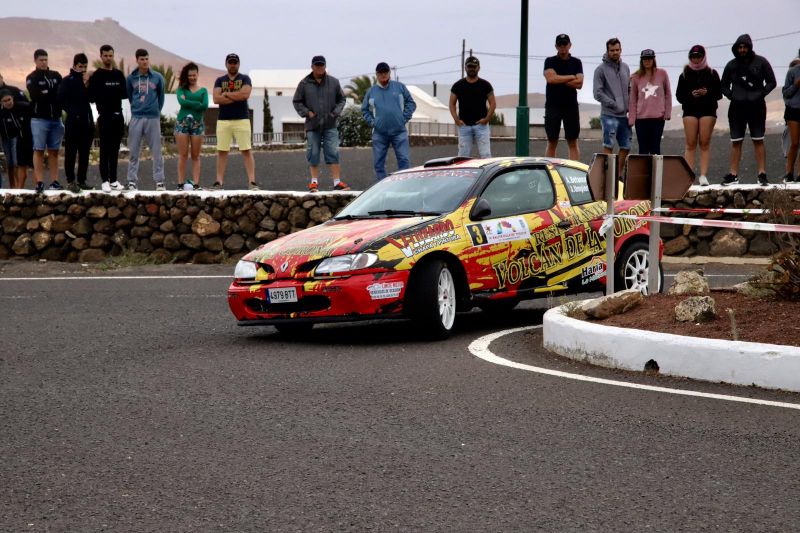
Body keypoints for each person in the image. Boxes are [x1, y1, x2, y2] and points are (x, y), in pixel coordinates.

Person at [719, 34, 776, 186]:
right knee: (736, 141)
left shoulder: (761, 62)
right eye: (740, 47)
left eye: (745, 47)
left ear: (750, 47)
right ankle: (733, 174)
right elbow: (723, 85)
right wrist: (732, 96)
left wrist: (761, 93)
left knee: (758, 140)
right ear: (736, 48)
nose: (742, 50)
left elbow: (772, 81)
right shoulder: (731, 65)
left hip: (756, 106)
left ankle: (762, 174)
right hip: (737, 107)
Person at [293, 55, 348, 192]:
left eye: (322, 65)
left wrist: (334, 113)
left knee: (333, 152)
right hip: (313, 125)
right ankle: (314, 182)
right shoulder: (304, 83)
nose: (319, 67)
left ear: (325, 66)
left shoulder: (334, 82)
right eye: (317, 65)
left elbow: (342, 99)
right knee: (313, 152)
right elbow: (297, 101)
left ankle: (337, 182)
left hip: (330, 124)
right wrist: (308, 113)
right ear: (312, 67)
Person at [361, 61, 416, 180]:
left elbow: (411, 103)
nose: (383, 75)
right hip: (379, 133)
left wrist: (404, 118)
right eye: (380, 73)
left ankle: (404, 184)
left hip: (399, 131)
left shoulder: (400, 87)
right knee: (378, 163)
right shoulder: (371, 91)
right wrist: (372, 122)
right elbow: (365, 110)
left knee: (404, 160)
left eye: (385, 72)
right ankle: (382, 188)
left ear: (389, 73)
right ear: (376, 74)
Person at [676, 45, 722, 186]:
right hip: (690, 110)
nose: (696, 59)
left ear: (703, 57)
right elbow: (679, 96)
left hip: (708, 110)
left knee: (704, 142)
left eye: (698, 56)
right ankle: (688, 176)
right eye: (693, 57)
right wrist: (691, 95)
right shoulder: (684, 74)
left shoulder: (712, 73)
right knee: (690, 143)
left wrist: (706, 93)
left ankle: (703, 175)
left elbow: (719, 94)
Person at [212, 53, 259, 191]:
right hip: (223, 120)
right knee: (222, 151)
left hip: (242, 119)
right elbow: (216, 99)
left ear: (238, 64)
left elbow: (245, 95)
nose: (233, 65)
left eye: (235, 62)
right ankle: (219, 181)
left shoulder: (245, 78)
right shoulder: (220, 80)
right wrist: (236, 97)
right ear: (226, 64)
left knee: (246, 150)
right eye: (230, 62)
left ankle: (252, 181)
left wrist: (226, 94)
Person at [88, 44, 127, 192]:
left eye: (110, 55)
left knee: (114, 151)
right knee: (104, 150)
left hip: (118, 116)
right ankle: (104, 181)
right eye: (105, 56)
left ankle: (114, 180)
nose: (108, 58)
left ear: (113, 56)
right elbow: (91, 97)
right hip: (104, 117)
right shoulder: (97, 75)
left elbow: (124, 93)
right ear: (101, 56)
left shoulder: (118, 74)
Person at [126, 48, 166, 191]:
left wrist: (155, 110)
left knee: (157, 151)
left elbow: (161, 97)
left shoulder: (157, 77)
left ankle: (159, 181)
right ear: (137, 60)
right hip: (137, 117)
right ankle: (131, 181)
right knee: (134, 150)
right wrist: (138, 108)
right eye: (142, 59)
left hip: (153, 118)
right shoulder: (131, 78)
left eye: (146, 59)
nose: (145, 61)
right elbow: (131, 96)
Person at [26, 49, 64, 193]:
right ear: (35, 61)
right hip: (39, 120)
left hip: (56, 119)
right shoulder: (32, 77)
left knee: (54, 151)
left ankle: (55, 181)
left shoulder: (56, 75)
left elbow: (60, 94)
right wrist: (51, 93)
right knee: (39, 150)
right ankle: (39, 182)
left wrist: (49, 92)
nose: (44, 62)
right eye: (41, 60)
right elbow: (37, 96)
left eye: (45, 60)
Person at [593, 38, 631, 177]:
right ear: (607, 51)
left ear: (621, 50)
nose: (615, 52)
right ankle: (608, 175)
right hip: (609, 114)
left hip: (624, 116)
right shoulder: (600, 70)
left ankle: (618, 174)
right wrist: (613, 104)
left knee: (626, 146)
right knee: (608, 145)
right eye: (612, 50)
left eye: (617, 50)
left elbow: (629, 88)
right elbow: (597, 93)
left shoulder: (626, 67)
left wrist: (629, 106)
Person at [58, 53, 95, 193]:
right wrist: (73, 112)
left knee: (84, 153)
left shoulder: (88, 80)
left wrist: (88, 83)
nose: (83, 69)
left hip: (87, 121)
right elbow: (61, 99)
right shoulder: (67, 80)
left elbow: (92, 98)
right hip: (73, 122)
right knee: (71, 153)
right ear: (75, 65)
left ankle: (81, 180)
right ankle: (70, 180)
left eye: (85, 66)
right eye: (80, 66)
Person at [543, 34, 583, 160]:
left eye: (565, 44)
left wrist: (558, 78)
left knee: (572, 141)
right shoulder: (549, 61)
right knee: (552, 141)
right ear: (556, 46)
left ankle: (574, 171)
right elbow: (551, 79)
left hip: (570, 106)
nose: (562, 47)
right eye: (560, 44)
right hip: (553, 106)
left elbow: (580, 83)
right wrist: (571, 76)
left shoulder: (576, 62)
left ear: (570, 45)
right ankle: (550, 169)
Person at [449, 56, 496, 158]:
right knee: (462, 157)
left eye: (474, 66)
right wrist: (456, 120)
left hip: (481, 126)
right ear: (465, 67)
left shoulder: (485, 85)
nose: (471, 69)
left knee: (486, 155)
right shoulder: (458, 85)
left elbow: (493, 103)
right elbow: (451, 103)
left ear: (478, 68)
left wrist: (487, 119)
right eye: (469, 66)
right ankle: (463, 174)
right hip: (464, 126)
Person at [628, 49, 672, 155]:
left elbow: (668, 94)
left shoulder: (662, 73)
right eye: (645, 59)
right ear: (641, 61)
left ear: (653, 59)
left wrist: (667, 112)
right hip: (641, 119)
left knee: (655, 149)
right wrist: (631, 118)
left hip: (658, 118)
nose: (647, 61)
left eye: (649, 59)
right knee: (643, 149)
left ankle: (655, 171)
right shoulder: (636, 77)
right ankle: (643, 171)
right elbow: (633, 98)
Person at [176, 62, 208, 190]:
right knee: (183, 155)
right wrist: (197, 103)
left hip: (197, 124)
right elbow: (181, 101)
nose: (192, 78)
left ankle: (196, 184)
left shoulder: (203, 90)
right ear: (186, 76)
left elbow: (205, 106)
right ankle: (180, 183)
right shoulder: (181, 89)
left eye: (194, 75)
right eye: (190, 75)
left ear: (197, 75)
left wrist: (188, 103)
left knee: (196, 155)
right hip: (182, 123)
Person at [0, 89, 33, 188]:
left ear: (12, 98)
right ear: (1, 102)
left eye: (9, 99)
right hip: (5, 138)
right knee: (9, 163)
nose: (7, 102)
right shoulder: (1, 113)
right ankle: (13, 187)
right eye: (4, 101)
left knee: (16, 162)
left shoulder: (22, 106)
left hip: (18, 137)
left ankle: (20, 187)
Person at [781, 50, 800, 183]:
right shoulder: (792, 72)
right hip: (793, 110)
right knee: (794, 142)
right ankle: (789, 173)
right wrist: (796, 85)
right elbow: (786, 93)